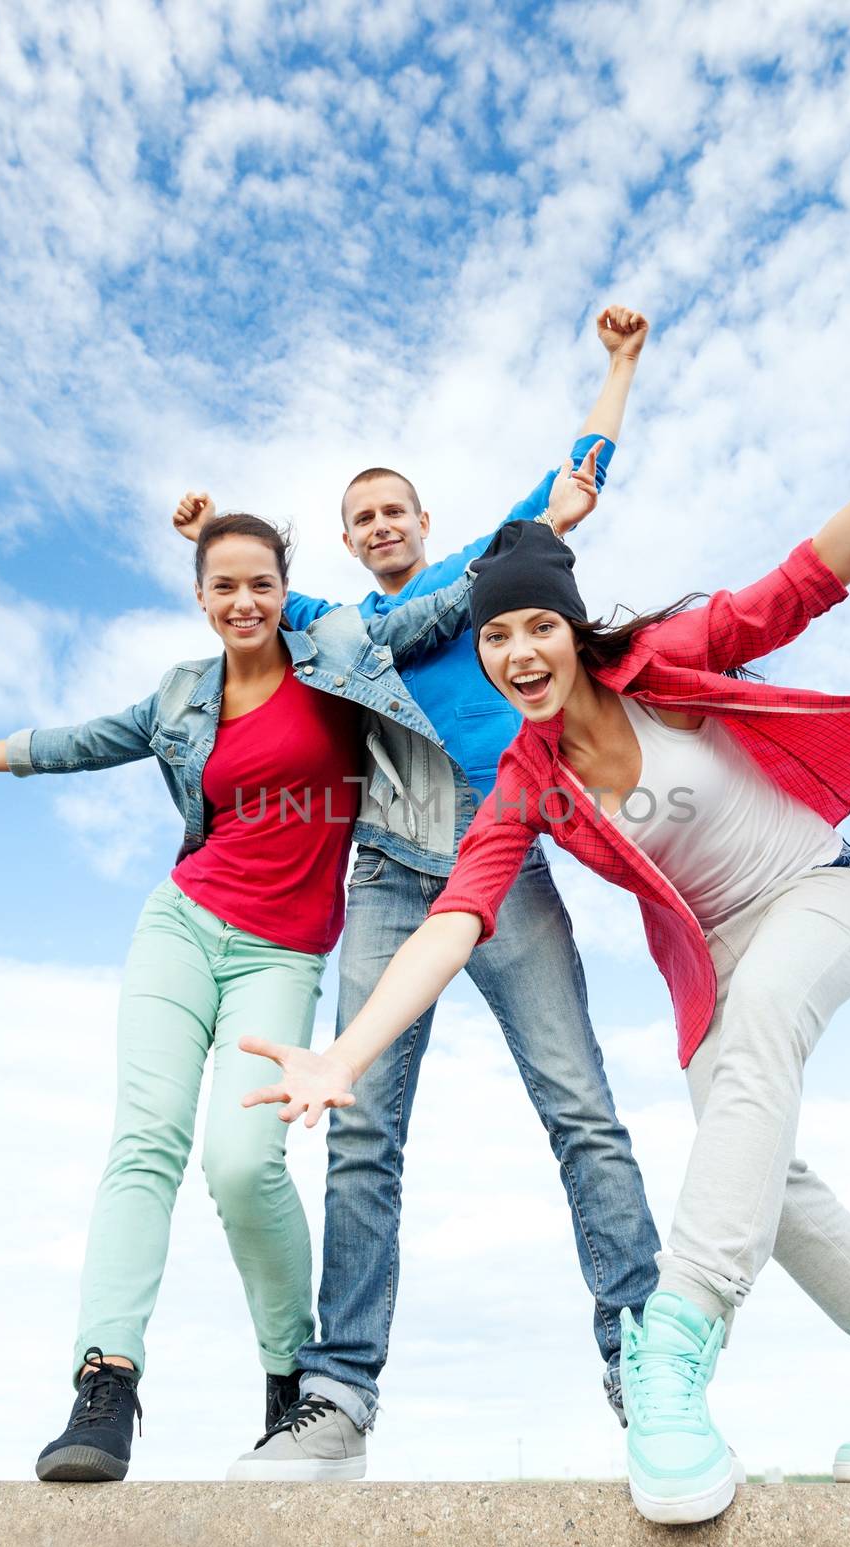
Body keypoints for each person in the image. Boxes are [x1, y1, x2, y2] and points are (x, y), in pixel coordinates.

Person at [240, 345, 850, 1522]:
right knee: (759, 1167)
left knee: (751, 1052)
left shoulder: (669, 661)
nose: (515, 655)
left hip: (821, 895)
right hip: (721, 965)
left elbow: (801, 583)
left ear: (569, 627)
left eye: (534, 633)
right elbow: (457, 917)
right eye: (496, 641)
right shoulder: (525, 773)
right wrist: (345, 1056)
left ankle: (670, 1350)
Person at [0, 498, 534, 1482]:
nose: (246, 599)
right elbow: (82, 740)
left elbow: (437, 610)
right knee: (145, 1144)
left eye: (263, 582)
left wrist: (535, 532)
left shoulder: (339, 654)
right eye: (226, 585)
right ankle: (107, 1383)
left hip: (282, 952)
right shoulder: (182, 693)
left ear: (283, 589)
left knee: (241, 1160)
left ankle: (287, 1379)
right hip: (181, 926)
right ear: (201, 597)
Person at [174, 308, 665, 1482]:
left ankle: (647, 1361)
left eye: (395, 508)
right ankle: (337, 1396)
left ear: (425, 521)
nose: (381, 523)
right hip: (391, 873)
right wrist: (198, 534)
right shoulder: (329, 625)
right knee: (359, 1129)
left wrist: (618, 368)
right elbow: (242, 599)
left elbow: (574, 481)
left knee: (579, 1107)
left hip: (504, 855)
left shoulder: (478, 573)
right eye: (362, 518)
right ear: (347, 542)